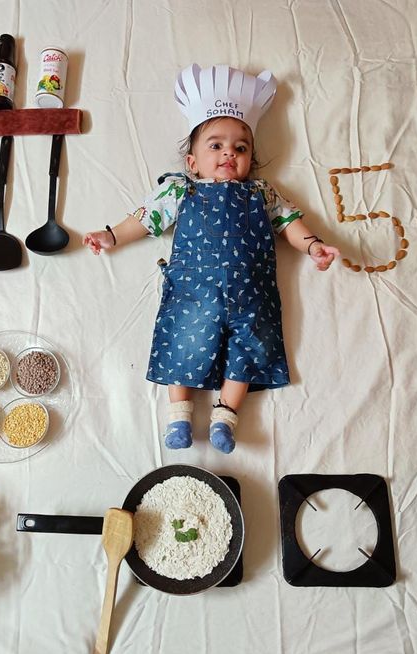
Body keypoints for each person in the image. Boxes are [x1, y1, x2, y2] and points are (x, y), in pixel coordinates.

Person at [83, 64, 339, 454]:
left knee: (249, 349)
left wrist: (313, 245)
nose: (228, 154)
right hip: (193, 289)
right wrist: (112, 235)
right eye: (215, 145)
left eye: (240, 148)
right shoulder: (180, 190)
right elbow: (146, 218)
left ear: (250, 160)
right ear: (192, 162)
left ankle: (225, 417)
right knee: (181, 341)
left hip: (251, 293)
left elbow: (290, 222)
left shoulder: (262, 193)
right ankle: (180, 416)